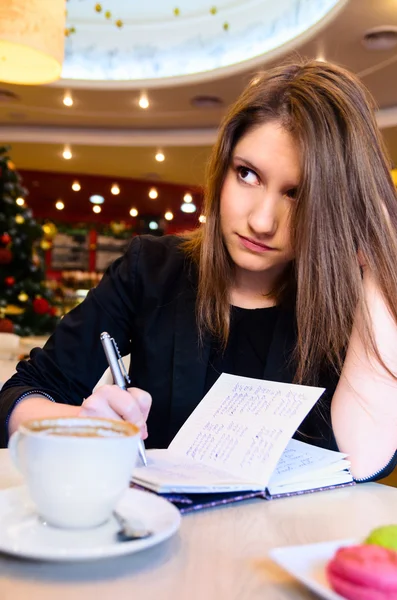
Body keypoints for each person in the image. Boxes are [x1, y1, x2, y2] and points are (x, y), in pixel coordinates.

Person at [1, 59, 397, 482]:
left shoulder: (354, 307)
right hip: (155, 535)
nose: (262, 221)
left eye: (298, 195)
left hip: (286, 544)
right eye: (247, 174)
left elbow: (363, 462)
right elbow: (18, 397)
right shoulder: (152, 269)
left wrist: (379, 248)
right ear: (222, 168)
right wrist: (82, 424)